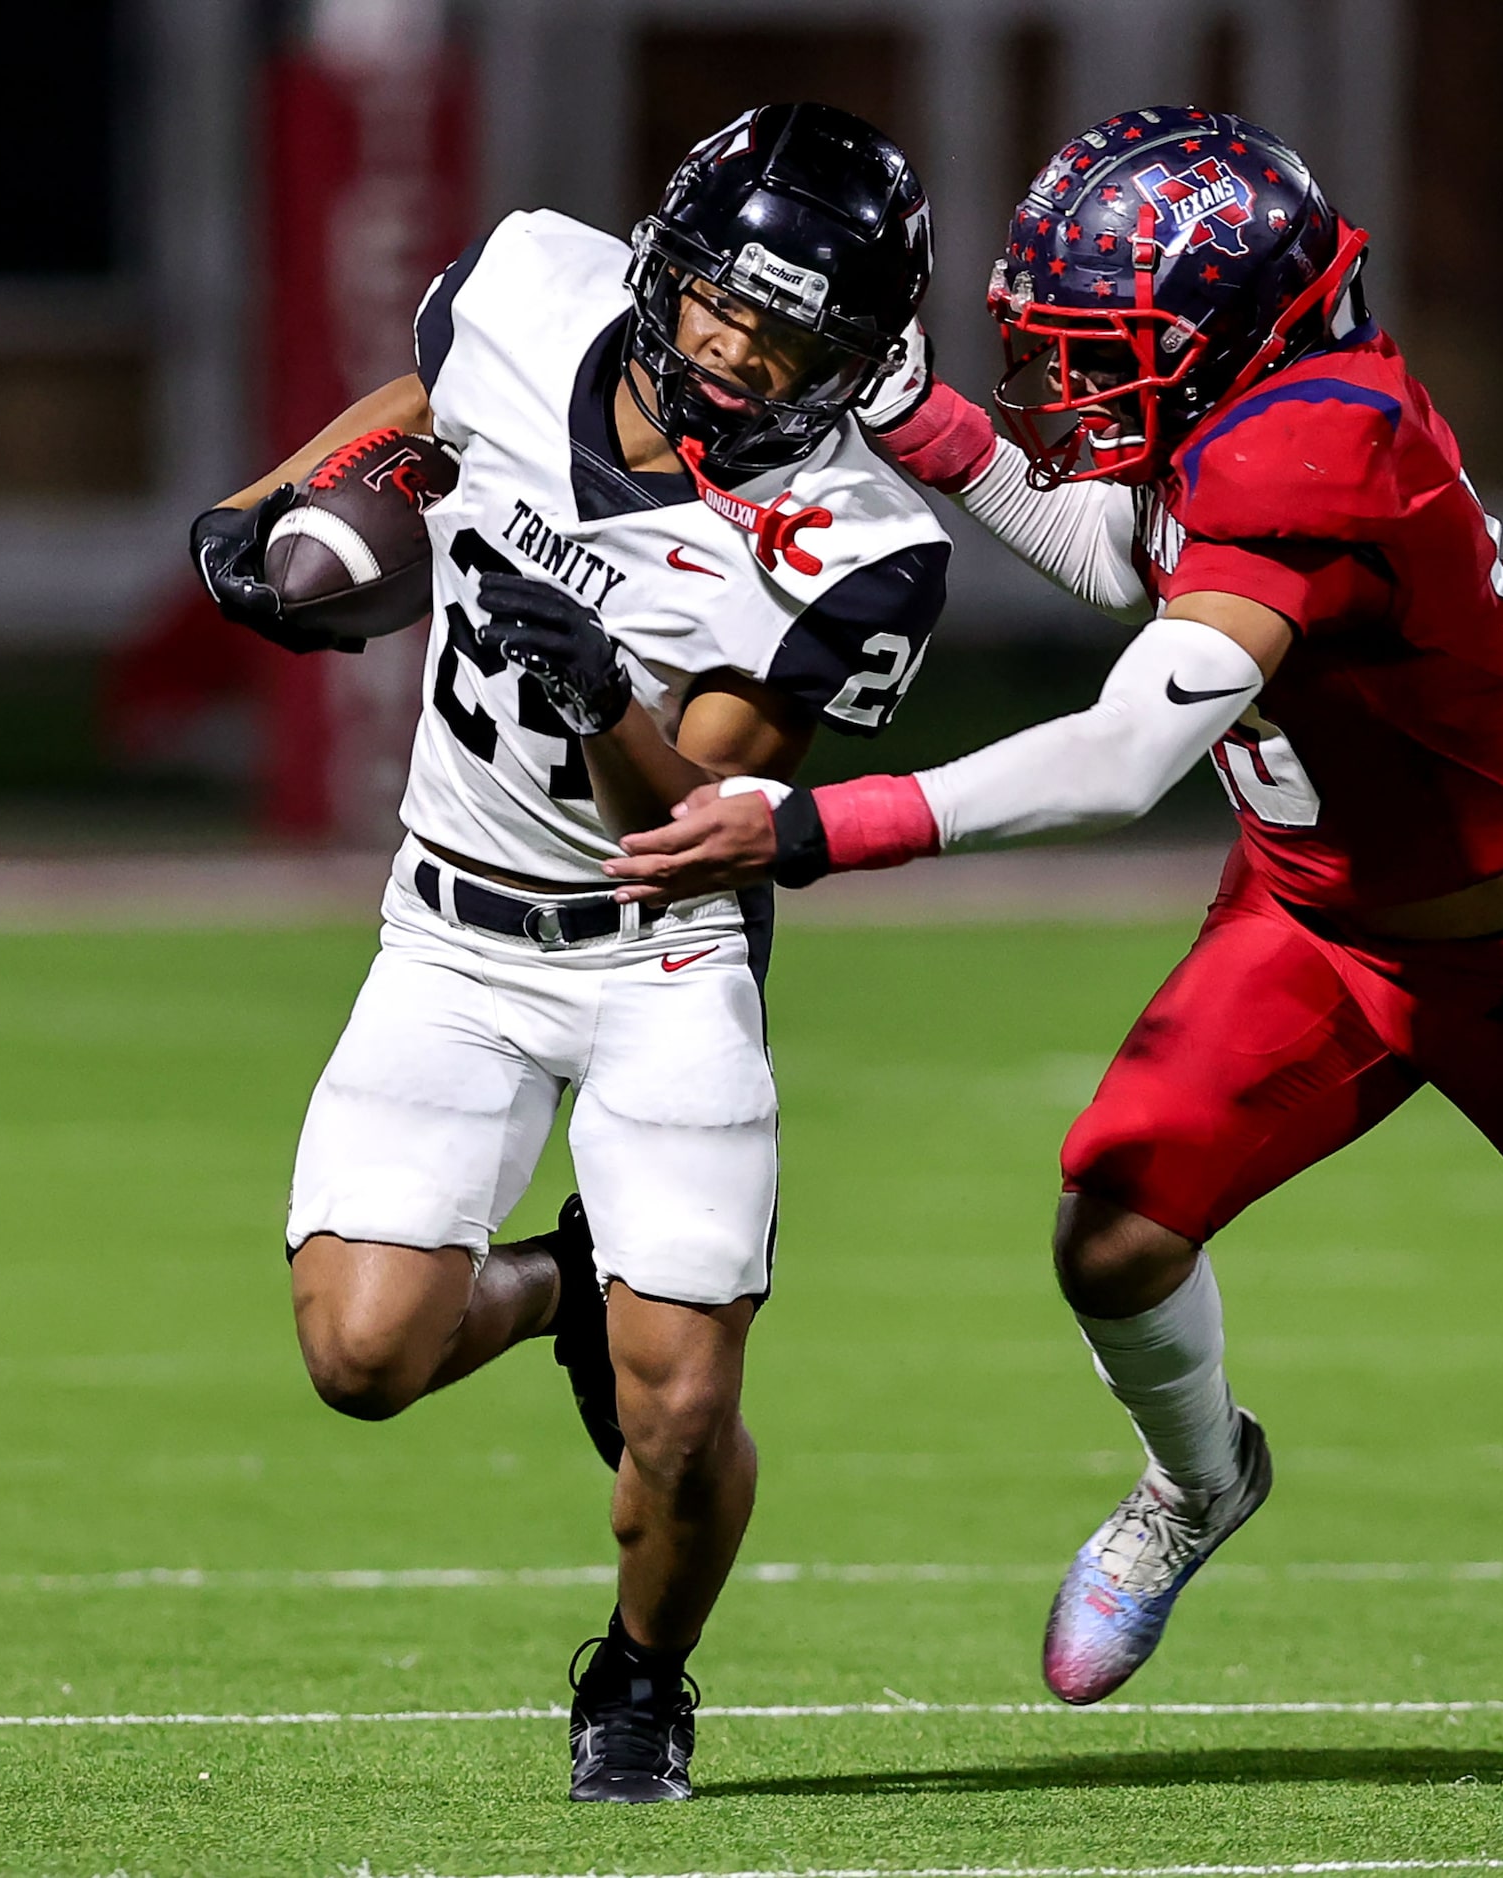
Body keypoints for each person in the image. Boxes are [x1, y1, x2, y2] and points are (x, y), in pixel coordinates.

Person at [598, 106, 1503, 1781]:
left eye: (1099, 339)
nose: (1072, 375)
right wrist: (929, 424)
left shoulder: (1322, 443)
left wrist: (817, 825)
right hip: (1312, 914)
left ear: (1217, 323)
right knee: (1115, 1226)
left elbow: (1131, 747)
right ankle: (1201, 1479)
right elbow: (1137, 563)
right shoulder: (1256, 415)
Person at [187, 102, 946, 1804]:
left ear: (858, 356)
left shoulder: (865, 548)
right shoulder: (531, 286)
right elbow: (424, 412)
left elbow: (702, 814)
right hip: (448, 926)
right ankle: (554, 1295)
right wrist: (276, 502)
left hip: (658, 947)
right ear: (663, 266)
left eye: (797, 331)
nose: (743, 353)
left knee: (682, 1412)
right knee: (361, 1357)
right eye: (724, 304)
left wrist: (602, 693)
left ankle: (642, 1675)